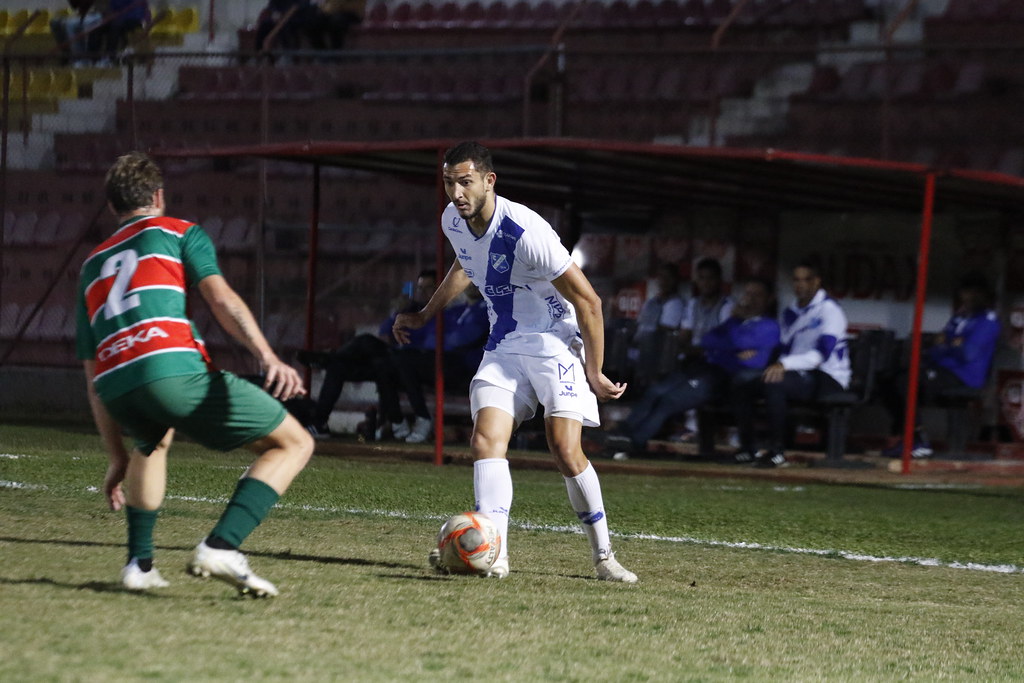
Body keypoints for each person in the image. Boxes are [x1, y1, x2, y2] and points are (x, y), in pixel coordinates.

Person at [393, 141, 637, 583]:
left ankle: (604, 557)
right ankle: (496, 554)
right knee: (486, 441)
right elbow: (465, 265)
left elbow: (589, 302)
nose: (456, 193)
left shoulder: (526, 232)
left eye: (465, 182)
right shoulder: (453, 219)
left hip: (555, 342)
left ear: (489, 181)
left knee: (565, 450)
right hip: (504, 344)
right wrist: (426, 313)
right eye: (448, 183)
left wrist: (595, 370)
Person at [76, 152, 314, 596]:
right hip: (170, 372)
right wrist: (268, 357)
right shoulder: (179, 231)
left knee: (152, 440)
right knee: (295, 442)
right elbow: (221, 299)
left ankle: (139, 565)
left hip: (116, 386)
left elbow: (92, 372)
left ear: (112, 206)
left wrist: (115, 456)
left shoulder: (91, 264)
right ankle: (221, 546)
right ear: (158, 196)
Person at [607, 278, 779, 459]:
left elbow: (748, 357)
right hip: (703, 366)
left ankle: (634, 442)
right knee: (656, 390)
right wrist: (733, 348)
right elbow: (708, 339)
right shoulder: (735, 322)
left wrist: (728, 346)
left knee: (669, 400)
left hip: (723, 378)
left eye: (757, 295)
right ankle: (621, 433)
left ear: (768, 299)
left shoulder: (769, 325)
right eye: (748, 294)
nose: (750, 299)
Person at [732, 259, 850, 468]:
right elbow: (781, 347)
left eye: (806, 280)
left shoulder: (829, 309)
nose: (800, 285)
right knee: (743, 381)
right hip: (796, 373)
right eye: (796, 280)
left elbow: (821, 354)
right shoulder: (790, 312)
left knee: (775, 383)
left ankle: (777, 452)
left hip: (828, 376)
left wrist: (784, 364)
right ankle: (748, 448)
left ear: (816, 282)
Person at [301, 269, 437, 440]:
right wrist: (397, 312)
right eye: (420, 288)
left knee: (366, 341)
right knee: (338, 367)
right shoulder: (412, 309)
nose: (422, 292)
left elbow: (429, 341)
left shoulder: (440, 311)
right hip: (392, 361)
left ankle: (328, 358)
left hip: (414, 361)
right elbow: (384, 330)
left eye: (428, 287)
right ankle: (319, 423)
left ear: (439, 289)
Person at [882, 274, 1001, 457]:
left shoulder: (988, 320)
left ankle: (918, 440)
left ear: (984, 295)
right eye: (965, 292)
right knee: (889, 381)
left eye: (973, 292)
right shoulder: (960, 317)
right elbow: (936, 348)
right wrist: (952, 344)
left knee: (905, 382)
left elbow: (969, 353)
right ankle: (908, 436)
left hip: (965, 376)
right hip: (943, 369)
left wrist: (948, 344)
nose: (967, 297)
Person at [388, 283, 489, 443]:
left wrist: (437, 342)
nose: (472, 284)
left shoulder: (487, 309)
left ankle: (421, 417)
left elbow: (461, 339)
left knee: (403, 360)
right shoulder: (455, 310)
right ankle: (397, 421)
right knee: (385, 362)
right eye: (468, 278)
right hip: (440, 361)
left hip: (464, 368)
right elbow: (425, 336)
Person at [671, 256, 735, 441]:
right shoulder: (693, 303)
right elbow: (684, 335)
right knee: (674, 371)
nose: (706, 283)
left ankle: (694, 429)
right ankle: (680, 425)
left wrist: (695, 349)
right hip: (695, 356)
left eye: (710, 278)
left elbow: (724, 342)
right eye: (702, 278)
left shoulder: (727, 305)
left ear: (719, 280)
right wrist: (679, 347)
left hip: (717, 360)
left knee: (698, 376)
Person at [627, 262, 685, 389]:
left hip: (658, 354)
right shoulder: (651, 301)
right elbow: (640, 323)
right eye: (661, 277)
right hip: (639, 347)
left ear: (675, 280)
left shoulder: (675, 303)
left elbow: (665, 332)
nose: (664, 281)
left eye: (668, 277)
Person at [50, 0, 103, 66]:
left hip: (95, 14)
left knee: (70, 24)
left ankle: (79, 58)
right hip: (80, 13)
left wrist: (81, 13)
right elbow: (74, 6)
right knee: (54, 22)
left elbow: (90, 4)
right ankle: (67, 54)